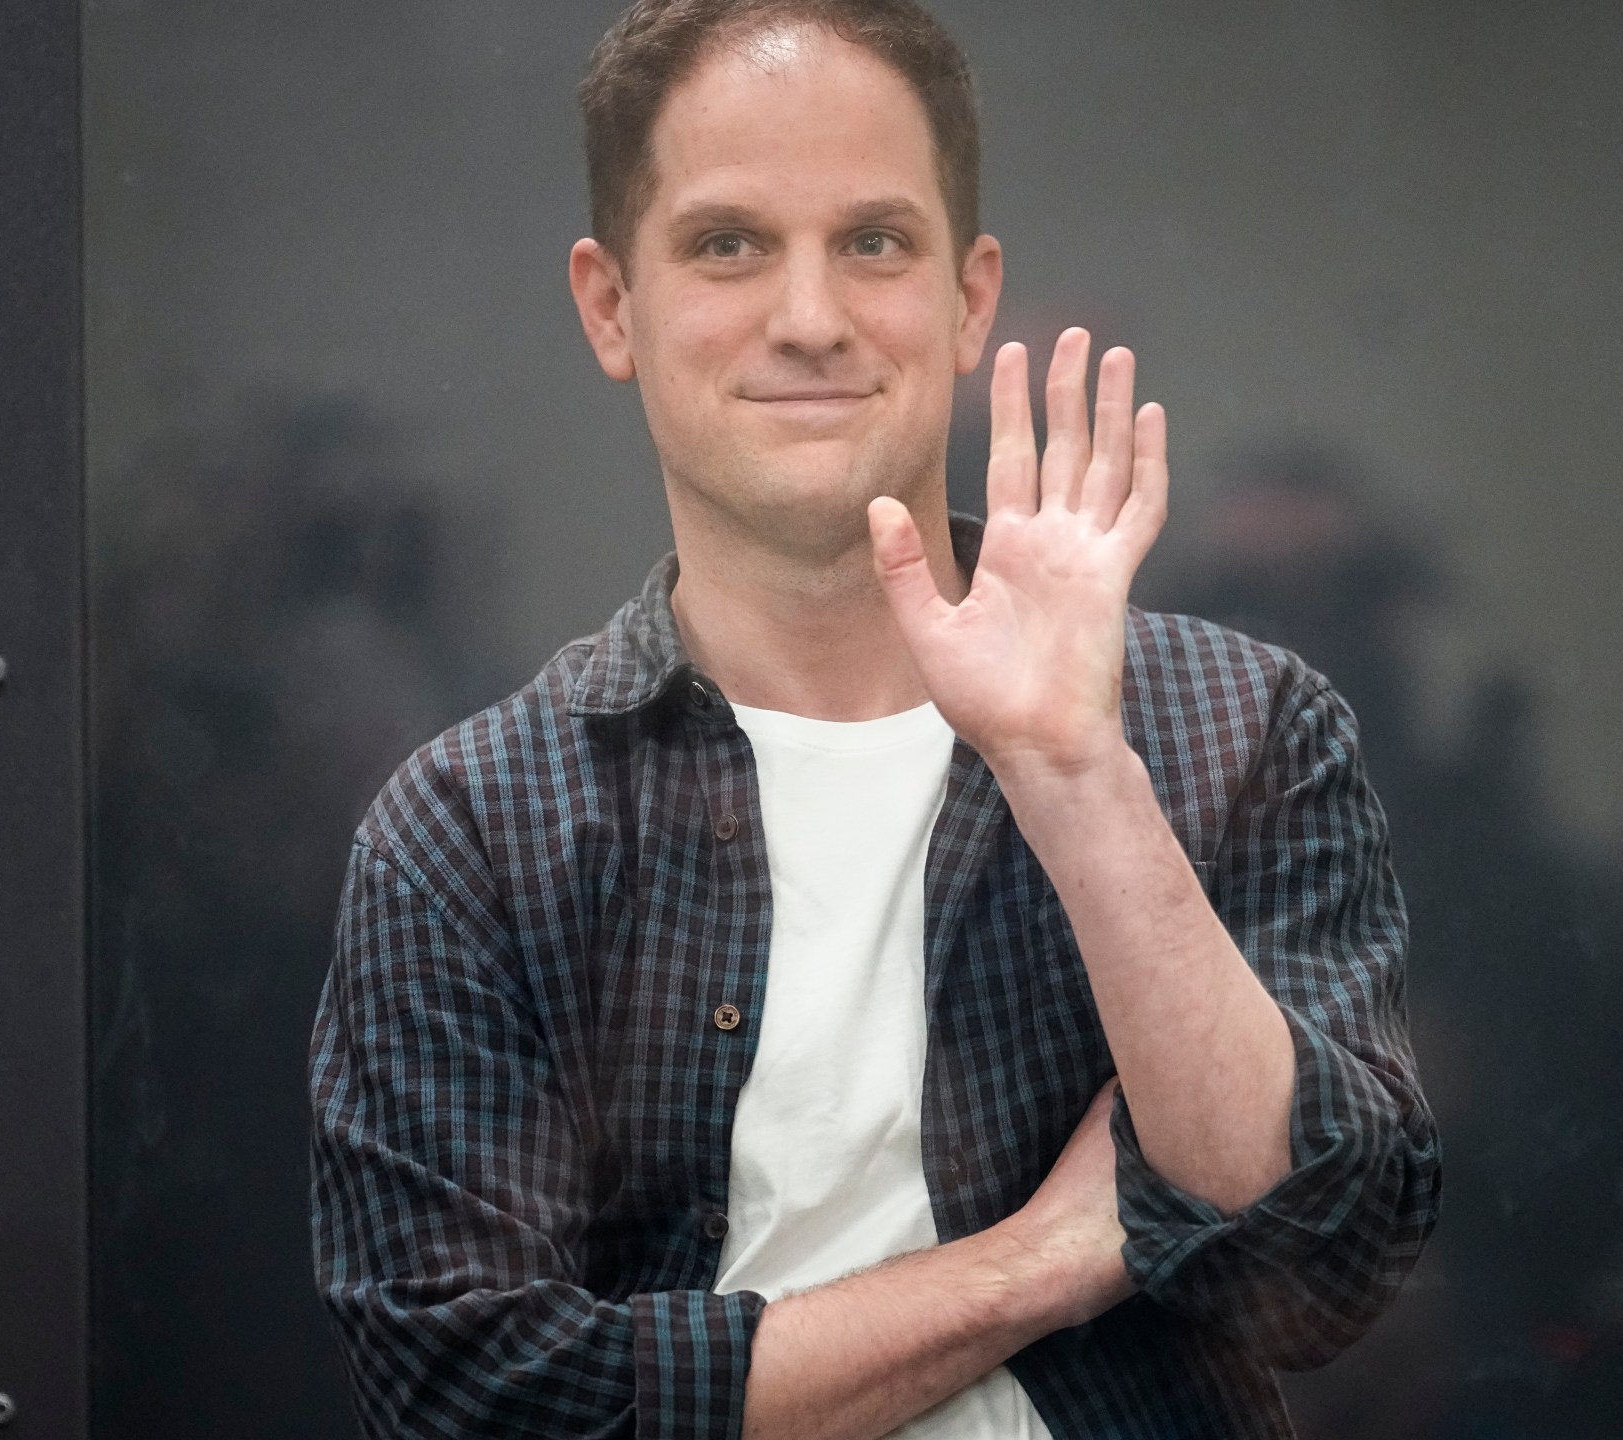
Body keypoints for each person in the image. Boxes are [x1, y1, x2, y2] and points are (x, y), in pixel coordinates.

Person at [306, 2, 1439, 1435]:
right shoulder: (475, 827)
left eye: (873, 242)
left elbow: (1321, 1273)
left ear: (970, 300)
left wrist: (1075, 772)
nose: (811, 318)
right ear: (611, 304)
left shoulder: (1238, 728)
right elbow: (477, 1395)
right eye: (728, 243)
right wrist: (1042, 1260)